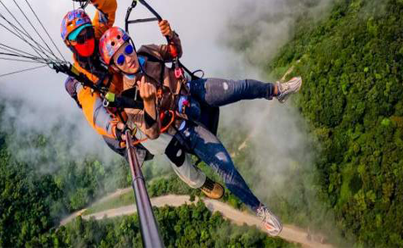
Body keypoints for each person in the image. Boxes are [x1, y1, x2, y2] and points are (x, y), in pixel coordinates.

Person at [98, 21, 303, 237]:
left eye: (128, 50)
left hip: (191, 90)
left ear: (132, 45)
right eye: (121, 58)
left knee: (238, 87)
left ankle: (277, 91)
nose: (128, 58)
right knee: (225, 166)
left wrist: (171, 36)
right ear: (115, 66)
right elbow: (152, 132)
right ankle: (260, 211)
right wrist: (148, 102)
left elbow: (174, 52)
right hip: (182, 125)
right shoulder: (129, 97)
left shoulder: (146, 53)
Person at [60, 0, 224, 199]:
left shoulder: (100, 34)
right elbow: (95, 111)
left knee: (188, 93)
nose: (87, 40)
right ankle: (199, 181)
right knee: (173, 147)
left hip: (141, 82)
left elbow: (109, 6)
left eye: (88, 33)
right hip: (130, 114)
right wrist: (115, 128)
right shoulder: (83, 79)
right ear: (70, 45)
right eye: (80, 39)